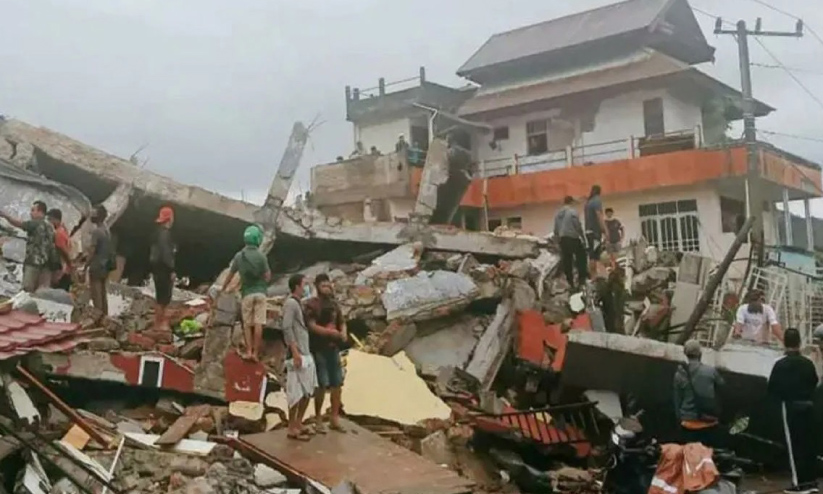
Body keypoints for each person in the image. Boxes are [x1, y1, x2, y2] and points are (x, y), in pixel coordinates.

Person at [768, 328, 819, 494]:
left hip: (790, 407)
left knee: (793, 446)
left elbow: (772, 389)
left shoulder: (780, 365)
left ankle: (799, 484)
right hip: (809, 406)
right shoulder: (808, 363)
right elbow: (814, 382)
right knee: (808, 445)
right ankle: (811, 481)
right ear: (799, 343)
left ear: (785, 343)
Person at [305, 273, 348, 433]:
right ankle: (318, 418)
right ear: (317, 287)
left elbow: (342, 322)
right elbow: (311, 325)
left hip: (333, 348)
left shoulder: (335, 305)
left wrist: (343, 332)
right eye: (324, 285)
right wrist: (328, 333)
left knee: (337, 383)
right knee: (322, 384)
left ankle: (334, 418)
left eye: (328, 285)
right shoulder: (312, 305)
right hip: (319, 348)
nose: (327, 288)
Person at [224, 225, 271, 361]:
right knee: (258, 323)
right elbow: (267, 276)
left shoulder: (239, 256)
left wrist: (223, 289)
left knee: (247, 324)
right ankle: (256, 354)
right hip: (261, 293)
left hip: (247, 294)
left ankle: (249, 351)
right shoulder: (262, 257)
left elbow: (230, 274)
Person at [282, 274, 318, 441]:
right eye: (304, 284)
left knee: (307, 391)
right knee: (296, 392)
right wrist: (294, 351)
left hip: (306, 352)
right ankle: (291, 426)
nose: (306, 287)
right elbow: (287, 328)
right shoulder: (290, 303)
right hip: (297, 353)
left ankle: (298, 422)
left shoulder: (299, 304)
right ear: (297, 286)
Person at [673, 340, 725, 447]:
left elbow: (677, 400)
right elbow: (722, 387)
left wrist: (680, 418)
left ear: (685, 354)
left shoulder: (679, 374)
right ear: (700, 354)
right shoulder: (710, 371)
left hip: (687, 423)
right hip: (709, 422)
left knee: (688, 453)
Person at [0, 201, 56, 292]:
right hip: (46, 265)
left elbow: (19, 224)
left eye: (33, 210)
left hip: (33, 263)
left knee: (26, 290)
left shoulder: (35, 223)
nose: (31, 213)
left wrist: (6, 216)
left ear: (40, 212)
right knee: (41, 292)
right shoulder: (50, 226)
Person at [150, 206, 176, 331]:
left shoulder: (157, 232)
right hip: (163, 269)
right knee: (164, 298)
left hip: (156, 268)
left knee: (160, 297)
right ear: (169, 219)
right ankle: (160, 325)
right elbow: (166, 253)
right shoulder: (165, 234)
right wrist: (171, 269)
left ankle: (157, 323)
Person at [553, 196, 587, 289]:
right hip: (572, 238)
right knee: (581, 257)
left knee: (567, 261)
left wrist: (557, 242)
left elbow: (555, 230)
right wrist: (583, 237)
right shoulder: (572, 212)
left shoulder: (558, 214)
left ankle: (570, 283)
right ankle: (582, 280)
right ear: (571, 202)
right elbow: (577, 225)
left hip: (562, 240)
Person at [86, 205, 113, 315]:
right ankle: (105, 317)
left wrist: (85, 266)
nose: (91, 215)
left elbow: (92, 251)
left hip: (96, 267)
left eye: (94, 213)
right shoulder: (107, 230)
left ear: (98, 216)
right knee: (103, 294)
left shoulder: (97, 232)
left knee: (96, 296)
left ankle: (99, 319)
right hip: (105, 267)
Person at [584, 185, 608, 278]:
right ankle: (594, 276)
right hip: (595, 232)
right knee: (594, 255)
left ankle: (595, 275)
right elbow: (599, 216)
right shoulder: (597, 200)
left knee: (592, 254)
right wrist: (605, 230)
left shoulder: (588, 202)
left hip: (588, 231)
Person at [47, 209, 72, 290]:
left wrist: (68, 265)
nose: (49, 222)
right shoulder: (63, 229)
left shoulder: (58, 234)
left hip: (61, 271)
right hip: (65, 270)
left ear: (55, 219)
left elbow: (63, 251)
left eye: (50, 219)